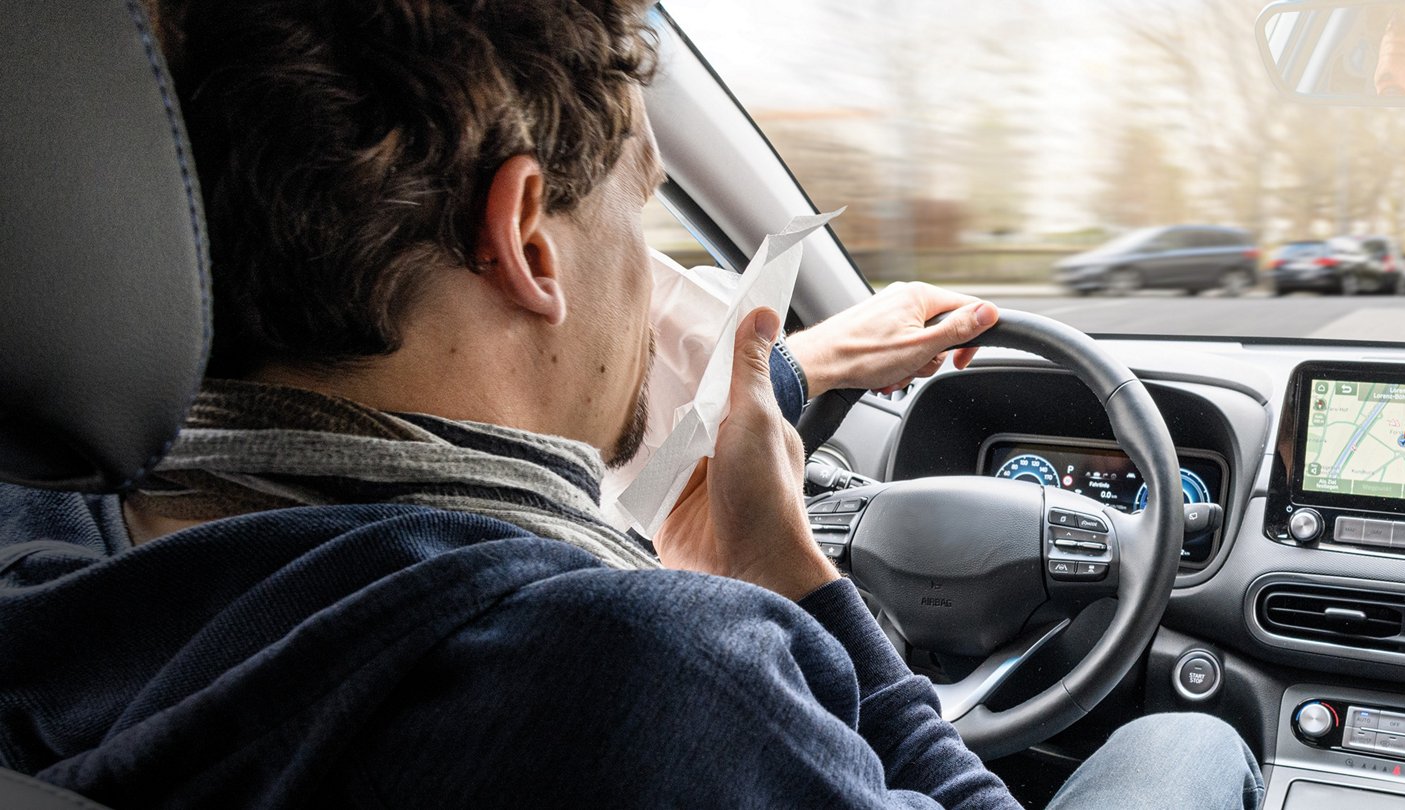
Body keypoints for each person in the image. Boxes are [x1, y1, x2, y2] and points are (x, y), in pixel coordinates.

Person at [0, 0, 1263, 807]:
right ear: (529, 244)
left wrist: (801, 373)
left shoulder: (39, 537)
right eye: (641, 215)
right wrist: (801, 594)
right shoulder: (634, 669)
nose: (652, 284)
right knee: (1188, 753)